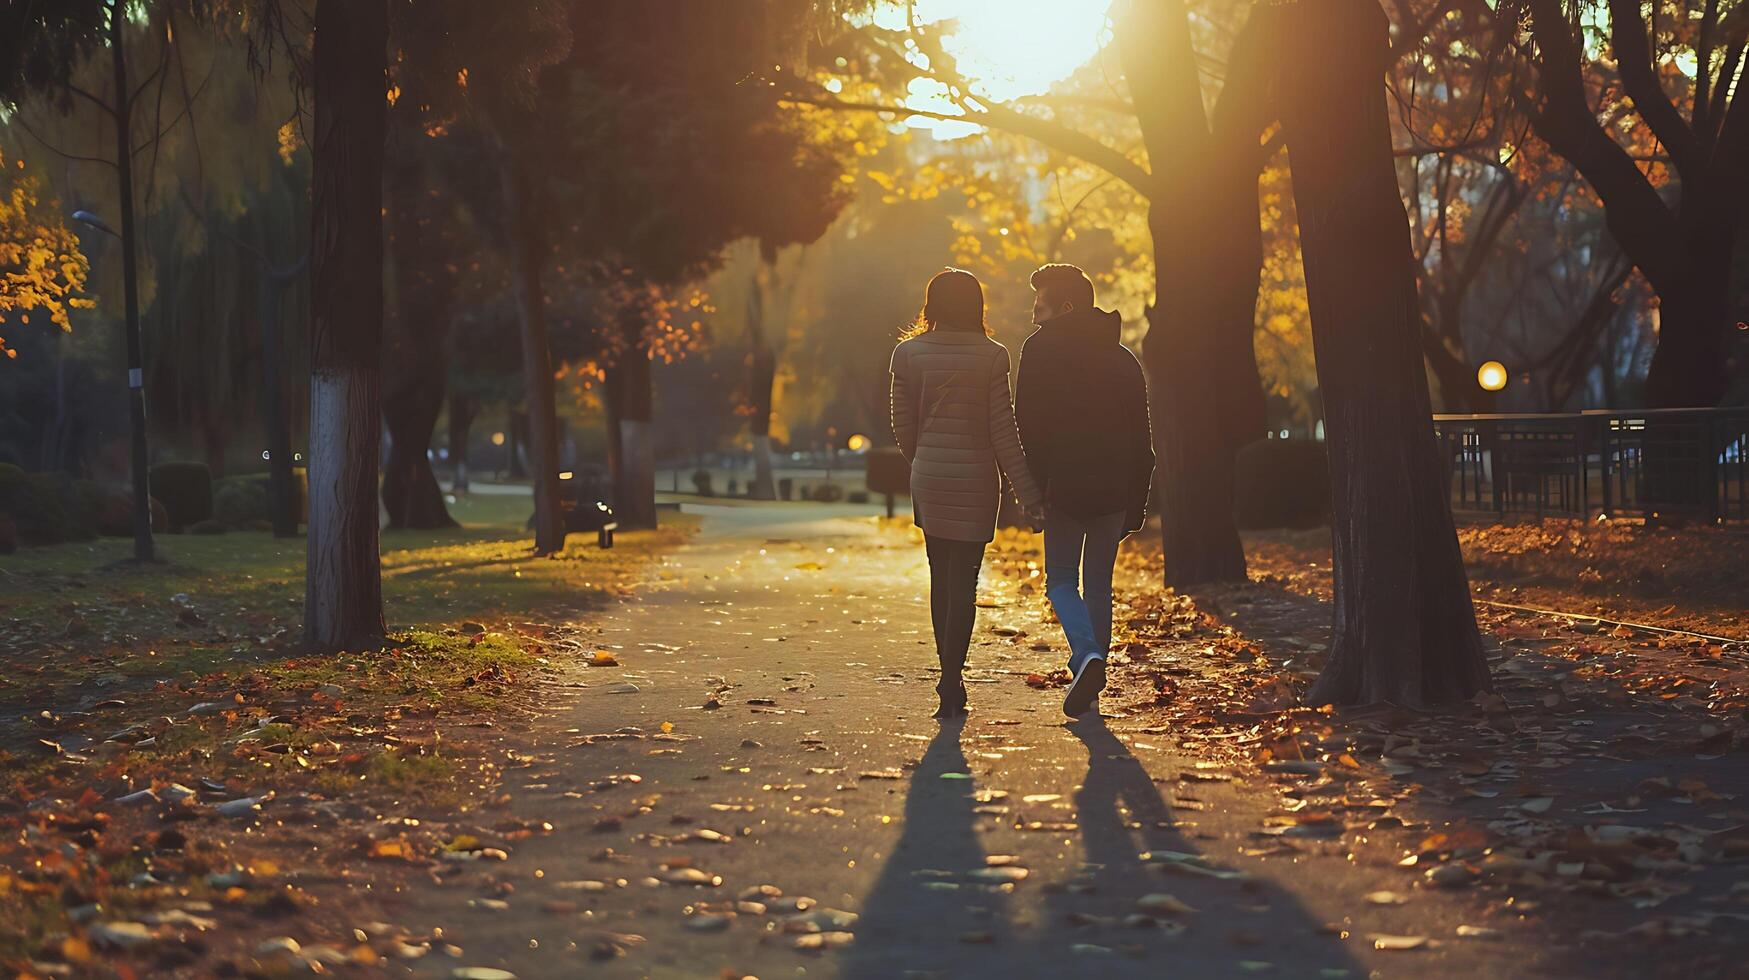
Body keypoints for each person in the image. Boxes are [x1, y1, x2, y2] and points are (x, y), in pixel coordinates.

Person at [891, 268, 1045, 720]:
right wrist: (1028, 492)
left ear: (931, 305)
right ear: (976, 306)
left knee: (941, 575)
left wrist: (925, 459)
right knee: (967, 582)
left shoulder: (907, 354)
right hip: (977, 479)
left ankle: (946, 675)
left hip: (931, 477)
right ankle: (955, 671)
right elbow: (1003, 431)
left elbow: (902, 427)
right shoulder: (993, 356)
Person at [1015, 263, 1155, 718]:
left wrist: (1030, 489)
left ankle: (1085, 657)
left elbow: (1028, 427)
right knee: (1098, 585)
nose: (1034, 308)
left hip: (1064, 488)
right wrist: (1136, 503)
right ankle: (1090, 686)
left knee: (1059, 580)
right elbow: (1142, 439)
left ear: (1066, 306)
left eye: (1042, 300)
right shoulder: (1123, 359)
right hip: (1114, 489)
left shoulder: (1038, 351)